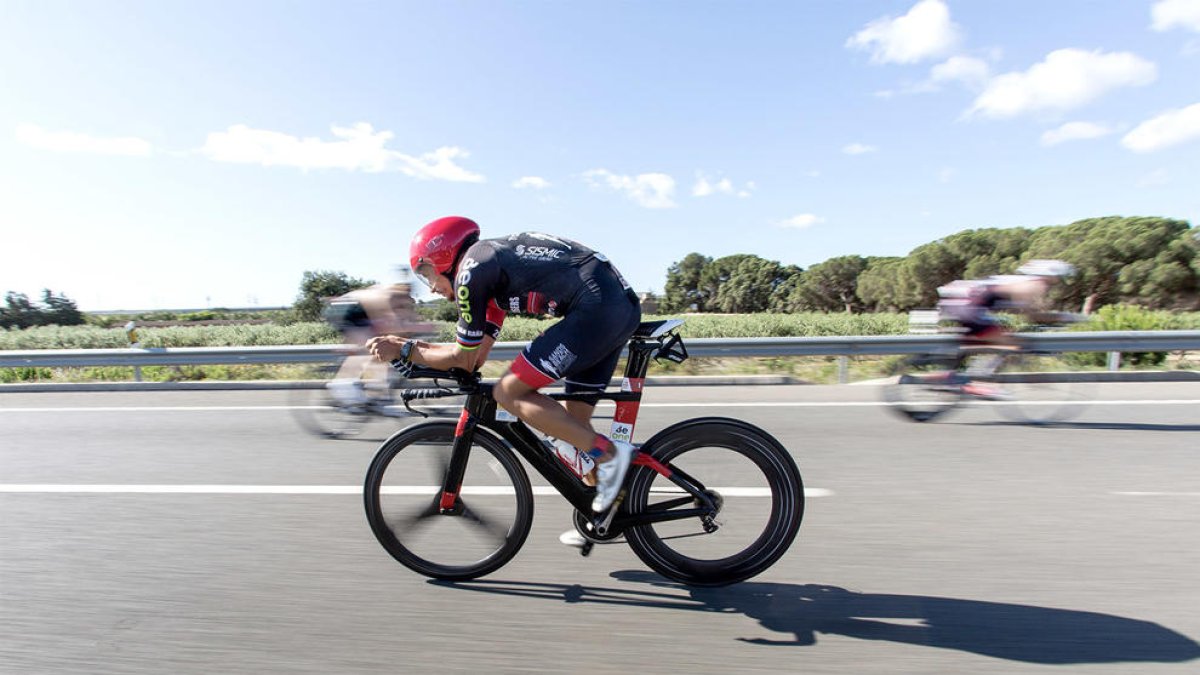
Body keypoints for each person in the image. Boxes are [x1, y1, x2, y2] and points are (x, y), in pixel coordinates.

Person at [367, 216, 642, 513]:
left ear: (443, 256)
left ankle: (612, 456)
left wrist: (405, 349)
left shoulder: (471, 272)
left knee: (508, 393)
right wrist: (414, 350)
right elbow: (474, 356)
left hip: (596, 310)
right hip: (612, 308)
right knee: (574, 428)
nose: (431, 287)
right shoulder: (487, 271)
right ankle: (600, 511)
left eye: (426, 273)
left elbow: (464, 358)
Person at [936, 259, 1075, 398]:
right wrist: (1065, 318)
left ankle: (950, 375)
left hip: (960, 300)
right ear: (1050, 276)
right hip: (967, 305)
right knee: (1009, 343)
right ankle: (978, 383)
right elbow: (1032, 316)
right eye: (1060, 278)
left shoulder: (1020, 281)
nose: (1059, 282)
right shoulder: (1034, 285)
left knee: (992, 337)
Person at [324, 279, 434, 408]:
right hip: (345, 309)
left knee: (383, 352)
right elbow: (392, 325)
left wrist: (417, 328)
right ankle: (343, 386)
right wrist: (418, 329)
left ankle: (380, 395)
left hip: (359, 314)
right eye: (406, 297)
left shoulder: (398, 298)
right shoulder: (387, 296)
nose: (406, 300)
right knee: (371, 347)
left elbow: (406, 320)